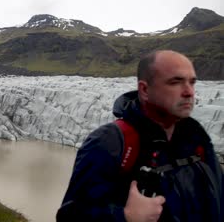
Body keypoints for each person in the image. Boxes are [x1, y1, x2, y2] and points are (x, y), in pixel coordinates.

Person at [56, 50, 224, 221]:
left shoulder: (198, 139)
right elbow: (70, 217)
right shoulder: (109, 142)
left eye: (192, 82)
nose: (189, 92)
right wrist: (126, 217)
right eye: (175, 82)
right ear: (144, 89)